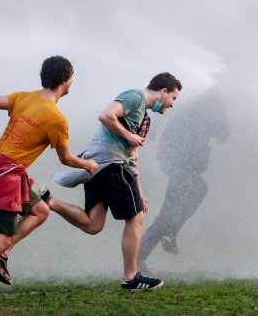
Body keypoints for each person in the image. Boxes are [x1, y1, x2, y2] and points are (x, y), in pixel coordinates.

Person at [0, 56, 98, 305]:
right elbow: (66, 159)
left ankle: (2, 253)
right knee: (0, 238)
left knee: (40, 210)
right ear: (66, 80)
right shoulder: (57, 119)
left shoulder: (25, 96)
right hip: (5, 175)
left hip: (1, 169)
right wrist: (88, 164)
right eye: (72, 78)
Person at [44, 72, 182, 292]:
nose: (173, 104)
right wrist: (128, 136)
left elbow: (133, 155)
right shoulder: (135, 97)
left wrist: (140, 191)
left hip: (97, 166)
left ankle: (47, 201)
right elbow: (105, 115)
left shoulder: (144, 116)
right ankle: (131, 278)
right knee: (136, 217)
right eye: (173, 98)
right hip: (110, 164)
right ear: (163, 92)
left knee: (93, 224)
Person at [138, 86, 229, 267]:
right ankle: (138, 257)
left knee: (200, 189)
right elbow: (158, 110)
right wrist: (151, 133)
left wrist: (221, 132)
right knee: (170, 209)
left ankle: (171, 232)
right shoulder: (188, 97)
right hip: (174, 160)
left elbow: (221, 130)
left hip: (191, 165)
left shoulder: (214, 104)